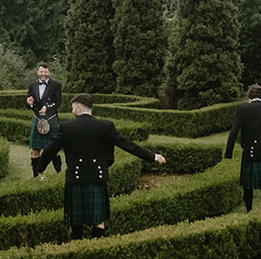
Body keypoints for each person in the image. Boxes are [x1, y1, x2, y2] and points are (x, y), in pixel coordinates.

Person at [34, 93, 166, 239]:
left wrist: (40, 168)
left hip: (75, 178)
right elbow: (128, 145)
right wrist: (153, 156)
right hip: (98, 176)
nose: (72, 111)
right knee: (98, 220)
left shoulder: (66, 127)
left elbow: (50, 150)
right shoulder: (105, 126)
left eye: (72, 108)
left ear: (78, 108)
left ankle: (75, 248)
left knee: (75, 220)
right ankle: (98, 246)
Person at [25, 62, 62, 177]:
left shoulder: (56, 85)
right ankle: (37, 176)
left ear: (49, 72)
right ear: (37, 72)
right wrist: (30, 103)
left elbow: (58, 102)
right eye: (41, 72)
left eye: (45, 72)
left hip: (51, 118)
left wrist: (48, 107)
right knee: (35, 149)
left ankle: (58, 173)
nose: (43, 74)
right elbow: (29, 101)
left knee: (54, 148)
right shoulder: (32, 86)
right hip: (37, 118)